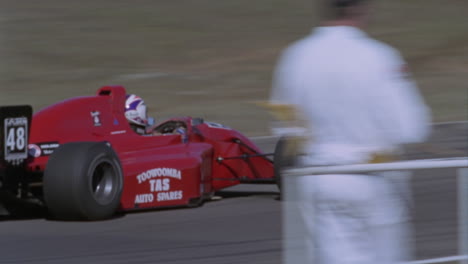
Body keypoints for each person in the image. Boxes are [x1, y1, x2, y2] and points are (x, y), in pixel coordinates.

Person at [269, 0, 432, 263]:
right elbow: (411, 128)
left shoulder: (296, 56)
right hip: (372, 176)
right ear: (360, 9)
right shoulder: (378, 55)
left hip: (319, 176)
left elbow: (285, 126)